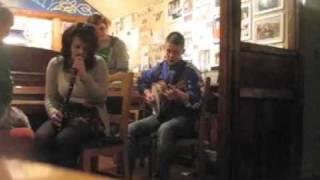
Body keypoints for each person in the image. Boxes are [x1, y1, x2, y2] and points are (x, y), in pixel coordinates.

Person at [35, 23, 110, 168]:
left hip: (91, 116)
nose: (81, 52)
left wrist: (84, 75)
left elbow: (101, 98)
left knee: (64, 140)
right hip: (66, 112)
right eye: (77, 47)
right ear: (69, 45)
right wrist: (52, 112)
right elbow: (50, 97)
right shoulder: (56, 64)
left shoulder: (99, 63)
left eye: (86, 49)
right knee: (41, 137)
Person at [128, 32, 201, 179]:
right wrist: (147, 93)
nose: (171, 55)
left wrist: (181, 96)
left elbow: (198, 100)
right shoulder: (160, 68)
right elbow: (142, 81)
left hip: (184, 118)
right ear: (164, 49)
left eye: (175, 52)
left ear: (183, 52)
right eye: (168, 51)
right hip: (162, 114)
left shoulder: (190, 71)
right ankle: (126, 173)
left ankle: (161, 176)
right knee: (131, 128)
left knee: (165, 129)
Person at [0, 6, 14, 128]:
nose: (9, 30)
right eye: (8, 26)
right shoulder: (3, 50)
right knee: (24, 123)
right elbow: (4, 83)